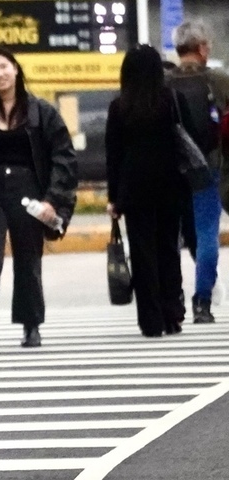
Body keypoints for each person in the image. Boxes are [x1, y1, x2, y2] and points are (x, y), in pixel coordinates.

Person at [0, 47, 77, 351]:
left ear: (16, 69)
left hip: (30, 193)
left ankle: (31, 326)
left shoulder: (42, 111)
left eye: (4, 67)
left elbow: (64, 158)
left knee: (28, 260)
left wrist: (53, 199)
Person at [105, 44, 191, 337]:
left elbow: (113, 154)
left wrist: (113, 198)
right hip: (171, 184)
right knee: (168, 248)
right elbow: (189, 138)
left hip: (134, 189)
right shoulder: (172, 100)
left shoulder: (119, 107)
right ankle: (172, 314)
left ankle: (151, 321)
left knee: (143, 253)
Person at [166, 20, 229, 323]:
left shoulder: (163, 82)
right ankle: (201, 302)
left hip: (171, 171)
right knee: (206, 235)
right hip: (209, 168)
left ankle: (171, 297)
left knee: (169, 236)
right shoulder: (218, 80)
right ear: (202, 47)